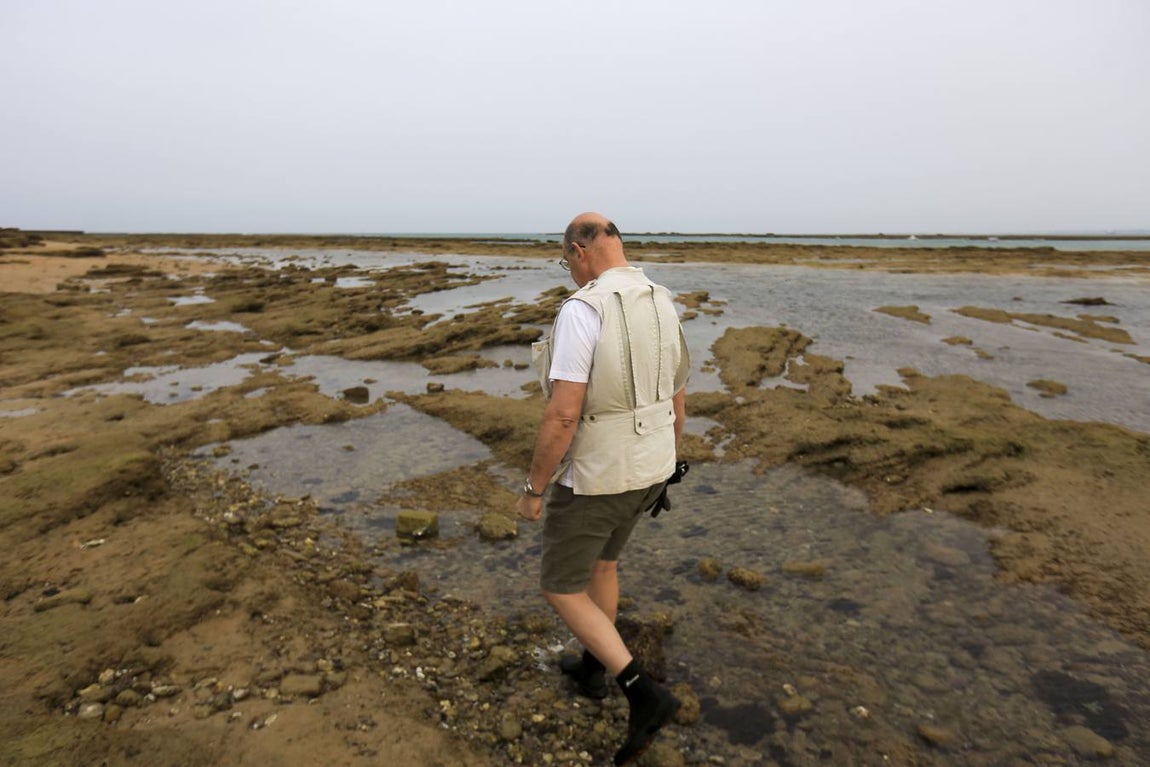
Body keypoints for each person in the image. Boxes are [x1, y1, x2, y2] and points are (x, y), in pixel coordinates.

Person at [515, 212, 690, 765]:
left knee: (560, 587)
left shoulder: (583, 309)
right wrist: (667, 461)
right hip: (652, 465)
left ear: (578, 251)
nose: (568, 269)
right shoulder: (661, 298)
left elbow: (564, 414)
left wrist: (534, 488)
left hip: (599, 477)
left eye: (565, 260)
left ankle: (642, 693)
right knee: (604, 566)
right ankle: (593, 668)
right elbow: (678, 396)